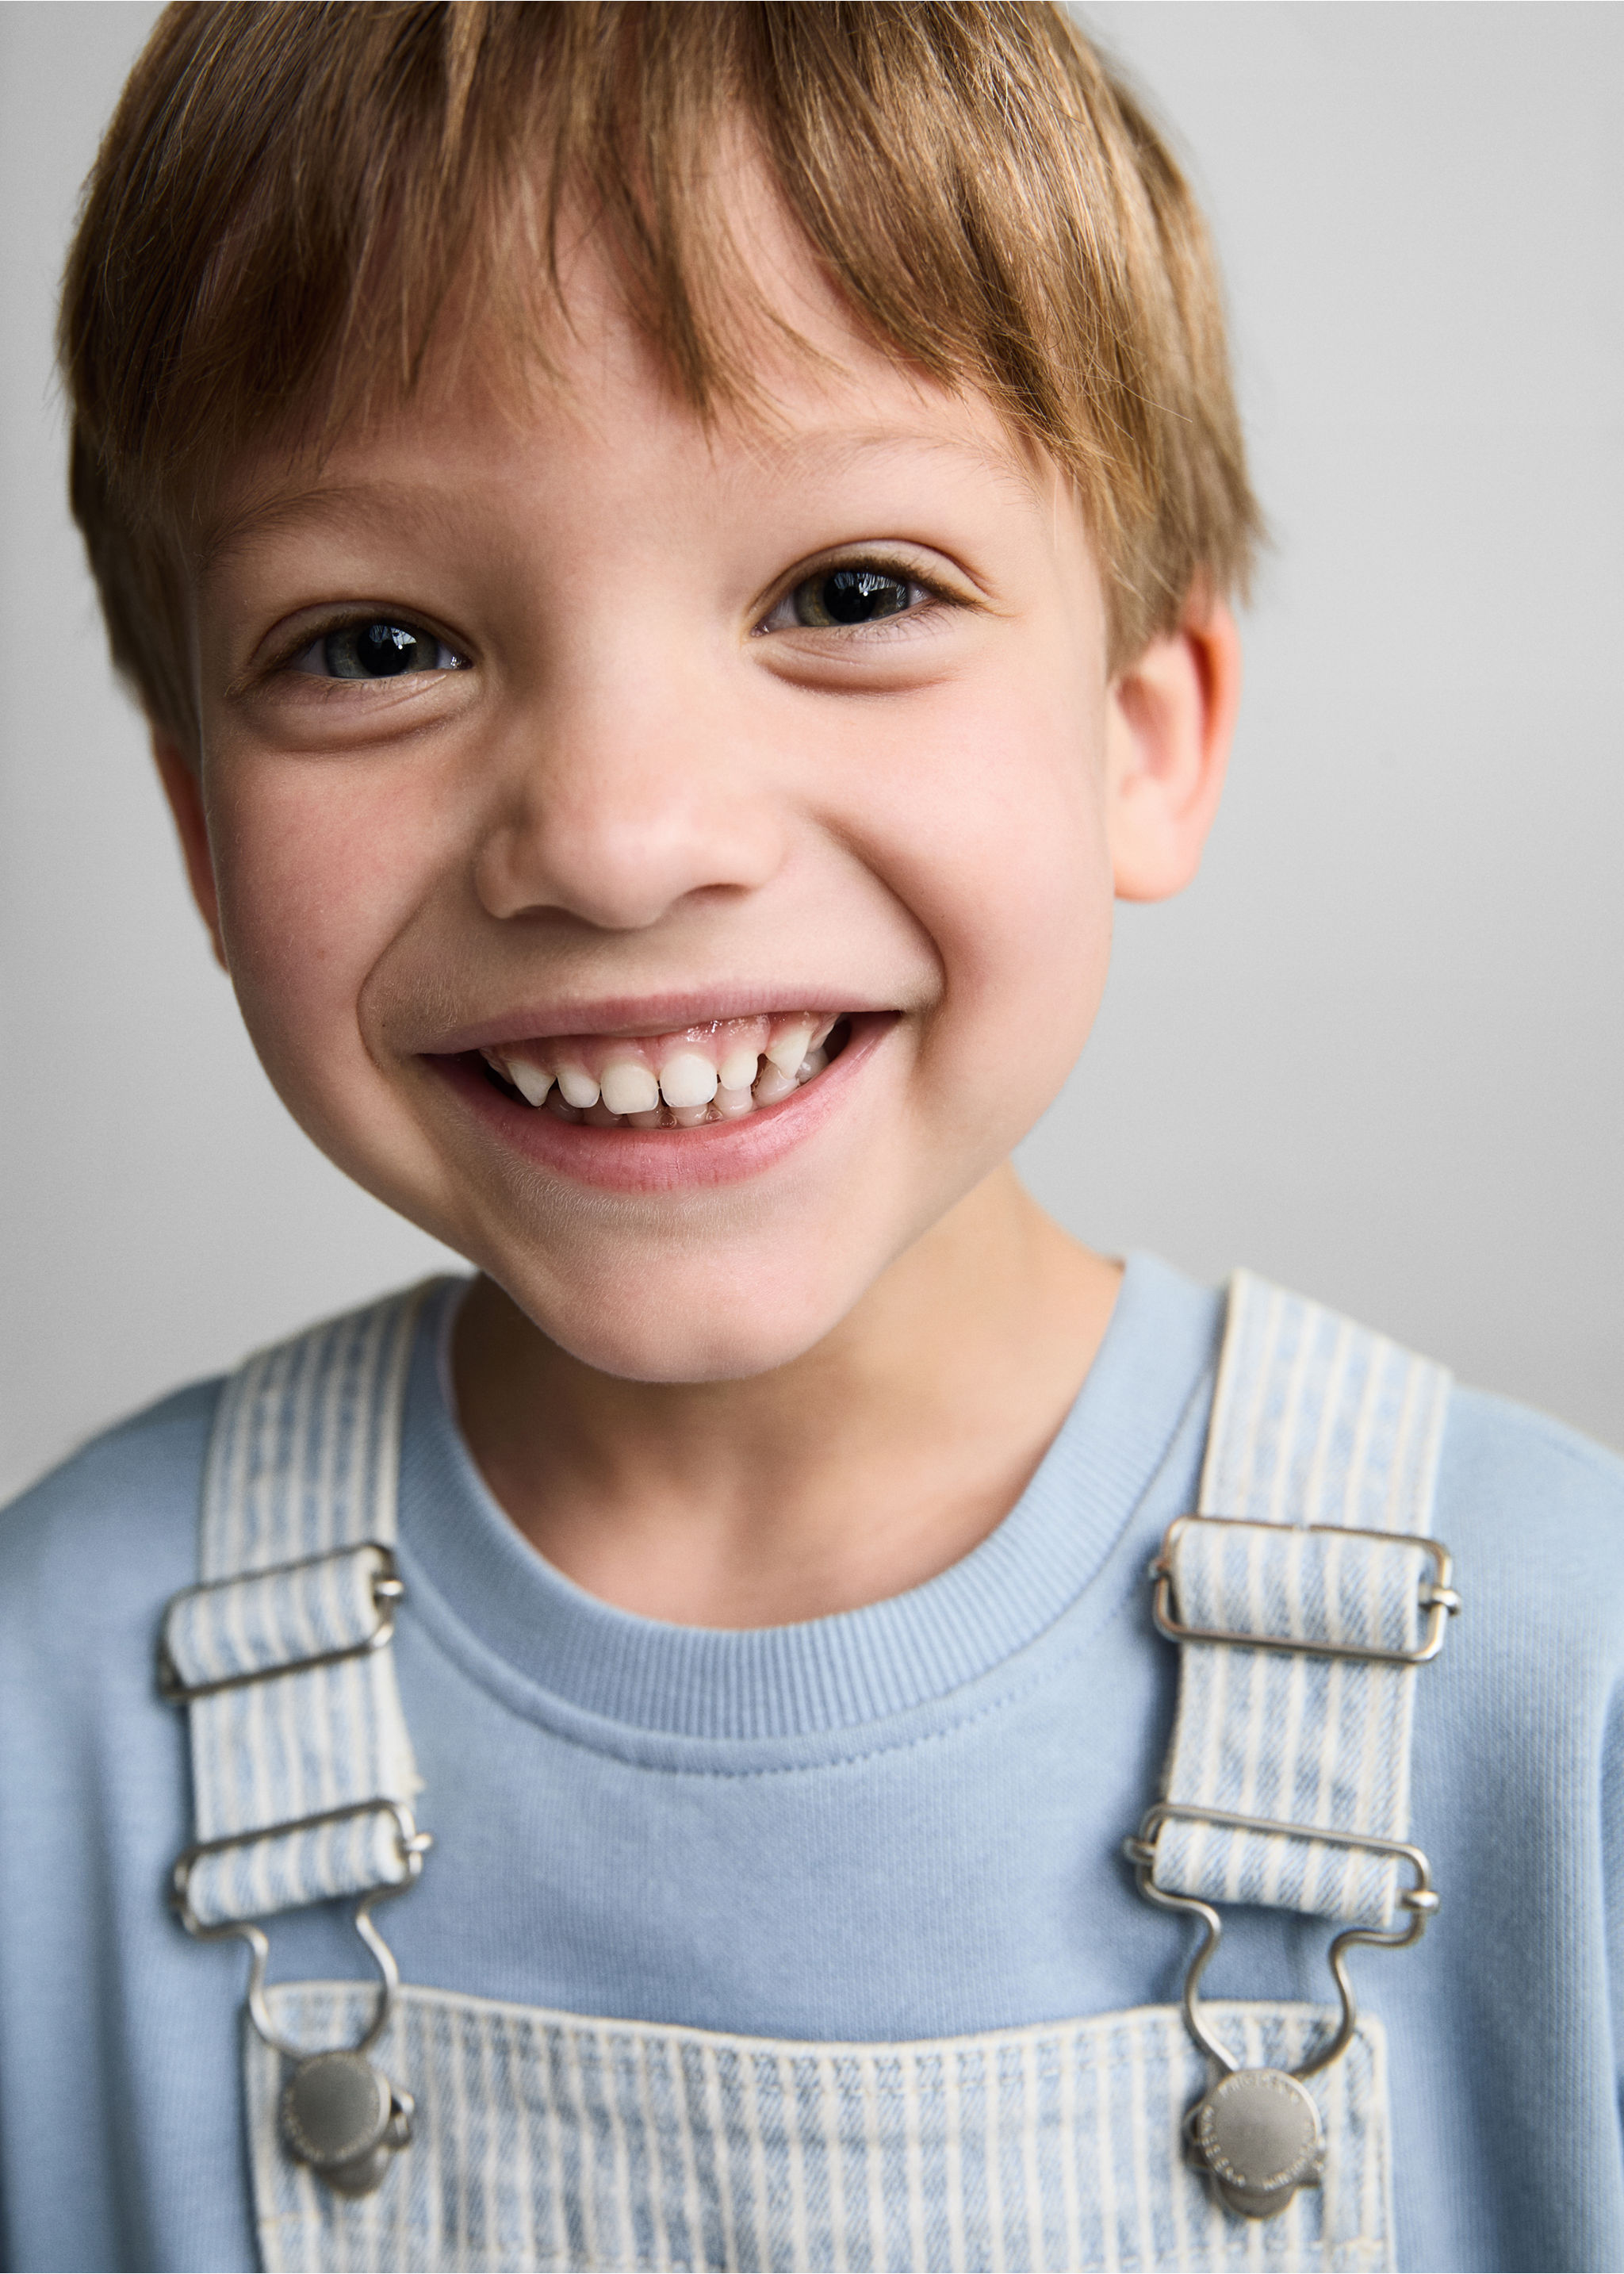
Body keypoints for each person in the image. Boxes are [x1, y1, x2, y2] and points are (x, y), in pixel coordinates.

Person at [2, 5, 1618, 2270]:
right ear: (197, 829)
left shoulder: (1562, 1673)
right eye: (375, 642)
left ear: (1148, 733)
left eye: (851, 595)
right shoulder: (55, 1698)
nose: (623, 838)